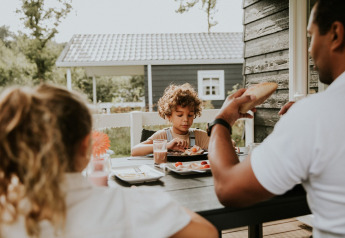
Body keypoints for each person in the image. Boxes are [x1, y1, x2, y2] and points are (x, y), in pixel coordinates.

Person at [0, 84, 217, 238]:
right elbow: (207, 232)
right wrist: (151, 201)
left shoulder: (7, 214)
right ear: (87, 145)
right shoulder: (129, 205)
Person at [207, 0, 345, 237]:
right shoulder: (317, 114)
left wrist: (220, 121)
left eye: (311, 36)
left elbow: (227, 188)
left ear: (335, 34)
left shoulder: (316, 114)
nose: (310, 49)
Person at [131, 83, 210, 156]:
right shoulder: (163, 135)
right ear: (169, 115)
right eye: (180, 115)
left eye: (190, 115)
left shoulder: (200, 136)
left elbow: (220, 147)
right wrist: (166, 145)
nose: (186, 119)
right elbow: (135, 151)